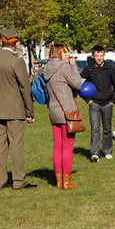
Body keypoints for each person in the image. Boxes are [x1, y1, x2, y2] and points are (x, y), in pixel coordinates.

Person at [0, 28, 35, 190]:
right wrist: (30, 111)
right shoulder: (17, 61)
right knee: (16, 145)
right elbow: (24, 88)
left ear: (1, 42)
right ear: (16, 44)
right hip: (15, 110)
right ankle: (19, 180)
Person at [43, 43, 83, 189]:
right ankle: (67, 181)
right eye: (66, 52)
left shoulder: (47, 68)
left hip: (53, 110)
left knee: (57, 146)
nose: (68, 55)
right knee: (67, 146)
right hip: (67, 111)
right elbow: (77, 84)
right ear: (59, 53)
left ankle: (58, 180)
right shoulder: (63, 67)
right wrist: (73, 66)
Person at [81, 45, 115, 162]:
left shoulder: (110, 69)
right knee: (95, 128)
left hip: (108, 103)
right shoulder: (88, 69)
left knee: (107, 128)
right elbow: (80, 86)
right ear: (93, 56)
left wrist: (113, 100)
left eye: (101, 55)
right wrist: (89, 101)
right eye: (97, 56)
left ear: (104, 56)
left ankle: (107, 150)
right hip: (94, 104)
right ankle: (95, 153)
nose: (99, 58)